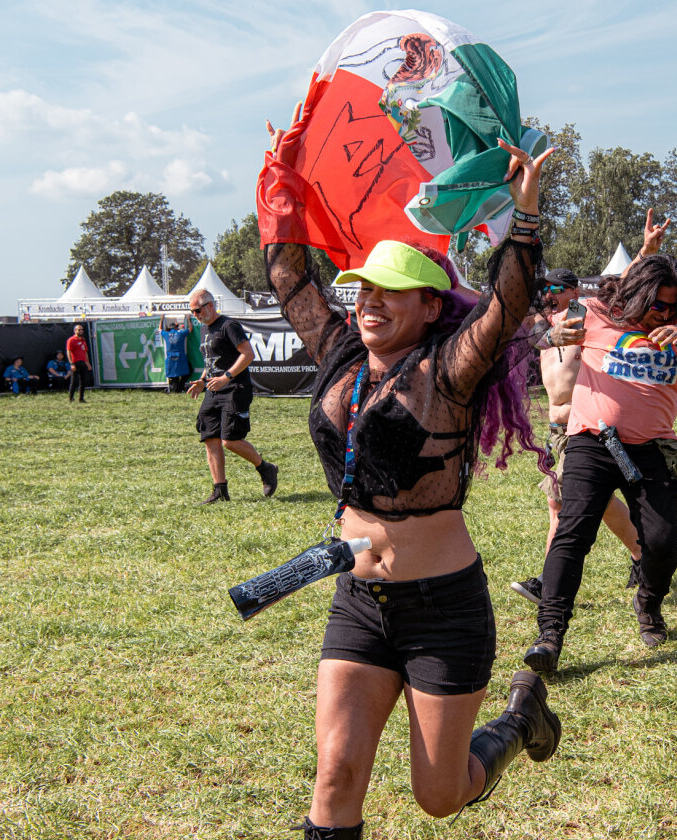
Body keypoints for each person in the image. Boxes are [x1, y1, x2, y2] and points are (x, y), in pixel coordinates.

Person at [259, 115, 560, 838]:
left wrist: (524, 215)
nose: (368, 300)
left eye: (389, 291)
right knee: (334, 776)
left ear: (429, 305)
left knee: (441, 794)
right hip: (359, 600)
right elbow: (289, 277)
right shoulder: (338, 352)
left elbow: (507, 305)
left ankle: (519, 722)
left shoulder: (448, 370)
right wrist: (281, 182)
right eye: (362, 288)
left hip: (443, 609)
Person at [521, 239, 677, 673]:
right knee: (571, 534)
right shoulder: (595, 312)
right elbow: (529, 333)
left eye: (672, 306)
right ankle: (550, 635)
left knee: (662, 542)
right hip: (591, 443)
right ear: (638, 294)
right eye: (658, 305)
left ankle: (648, 604)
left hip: (653, 449)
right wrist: (551, 336)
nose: (664, 314)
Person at [510, 267, 643, 606]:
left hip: (582, 425)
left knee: (559, 505)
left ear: (573, 290)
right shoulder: (545, 325)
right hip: (556, 431)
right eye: (546, 288)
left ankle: (547, 582)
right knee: (598, 504)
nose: (549, 293)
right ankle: (643, 556)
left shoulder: (586, 317)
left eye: (556, 288)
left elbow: (618, 288)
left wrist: (645, 253)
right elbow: (518, 331)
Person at [185, 290, 279, 503]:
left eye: (197, 310)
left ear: (210, 305)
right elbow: (212, 360)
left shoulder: (229, 326)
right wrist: (202, 380)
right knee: (210, 437)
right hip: (214, 388)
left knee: (230, 440)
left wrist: (226, 377)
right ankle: (220, 491)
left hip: (235, 387)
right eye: (192, 312)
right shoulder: (204, 330)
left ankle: (266, 469)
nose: (196, 315)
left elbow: (248, 354)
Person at [159, 315, 193, 393]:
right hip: (180, 357)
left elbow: (160, 329)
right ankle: (179, 388)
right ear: (176, 327)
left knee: (174, 375)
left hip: (170, 358)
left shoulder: (166, 335)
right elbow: (190, 329)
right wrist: (188, 319)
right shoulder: (181, 334)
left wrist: (161, 319)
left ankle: (176, 389)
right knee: (188, 371)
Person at [66, 323, 91, 403]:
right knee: (73, 381)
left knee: (83, 381)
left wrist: (88, 363)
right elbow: (69, 352)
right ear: (75, 331)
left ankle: (81, 398)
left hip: (83, 363)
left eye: (82, 329)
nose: (81, 331)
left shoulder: (83, 340)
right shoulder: (71, 340)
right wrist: (71, 364)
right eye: (79, 329)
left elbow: (85, 352)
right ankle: (71, 398)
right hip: (75, 363)